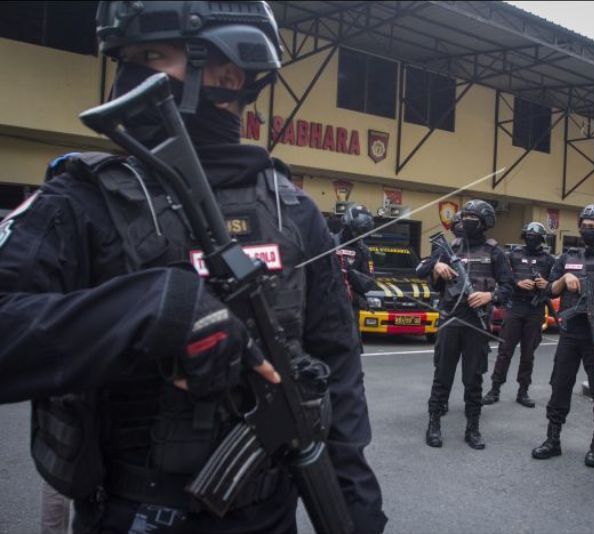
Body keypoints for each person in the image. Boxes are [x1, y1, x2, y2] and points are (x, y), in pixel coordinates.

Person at [0, 2, 386, 533]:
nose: (127, 77)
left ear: (230, 71)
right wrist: (153, 309)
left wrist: (355, 506)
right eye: (125, 60)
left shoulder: (292, 210)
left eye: (152, 56)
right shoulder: (81, 200)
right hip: (136, 511)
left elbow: (337, 370)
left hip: (269, 513)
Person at [532, 205, 594, 468]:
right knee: (560, 385)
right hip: (570, 335)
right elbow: (549, 291)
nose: (587, 229)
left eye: (593, 226)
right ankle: (553, 440)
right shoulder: (567, 257)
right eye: (584, 224)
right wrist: (565, 278)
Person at [418, 200, 513, 450]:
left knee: (473, 380)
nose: (467, 220)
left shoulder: (495, 252)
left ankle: (473, 428)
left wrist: (490, 296)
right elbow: (423, 270)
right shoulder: (449, 248)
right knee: (442, 377)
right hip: (450, 319)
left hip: (476, 324)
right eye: (465, 216)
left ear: (485, 222)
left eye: (473, 217)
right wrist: (437, 267)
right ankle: (434, 424)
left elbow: (509, 287)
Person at [482, 222, 554, 408]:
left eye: (535, 236)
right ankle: (494, 389)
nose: (531, 239)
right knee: (505, 351)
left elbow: (555, 284)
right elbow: (503, 277)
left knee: (528, 354)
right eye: (528, 236)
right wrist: (518, 283)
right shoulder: (512, 255)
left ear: (542, 239)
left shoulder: (548, 259)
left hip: (535, 309)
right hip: (515, 307)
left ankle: (523, 391)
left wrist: (545, 283)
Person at [334, 203, 377, 327]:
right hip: (326, 305)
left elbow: (369, 283)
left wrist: (352, 274)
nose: (357, 235)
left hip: (350, 308)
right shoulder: (329, 242)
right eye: (356, 231)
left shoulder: (363, 251)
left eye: (362, 232)